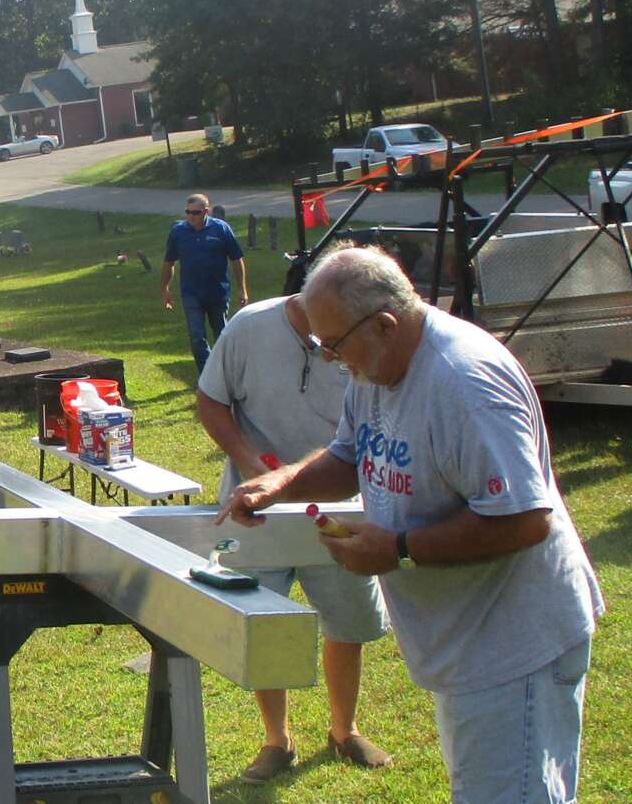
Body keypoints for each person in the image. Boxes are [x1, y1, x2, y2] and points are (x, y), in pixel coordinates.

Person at [216, 245, 605, 804]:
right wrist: (284, 484)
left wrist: (397, 549)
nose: (329, 359)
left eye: (334, 346)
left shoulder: (466, 384)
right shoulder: (373, 367)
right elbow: (350, 456)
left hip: (515, 648)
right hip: (467, 645)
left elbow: (524, 520)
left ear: (384, 324)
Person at [197, 291, 392, 784]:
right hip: (254, 508)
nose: (328, 350)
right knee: (264, 622)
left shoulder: (364, 330)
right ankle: (276, 740)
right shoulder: (248, 326)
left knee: (346, 621)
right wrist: (247, 462)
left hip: (337, 498)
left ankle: (344, 730)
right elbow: (211, 400)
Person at [160, 193, 248, 373]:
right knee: (196, 336)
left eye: (196, 213)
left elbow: (236, 259)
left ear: (206, 211)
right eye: (188, 212)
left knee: (222, 335)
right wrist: (165, 289)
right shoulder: (178, 232)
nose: (191, 217)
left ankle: (225, 372)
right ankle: (207, 375)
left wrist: (242, 289)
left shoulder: (221, 229)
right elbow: (169, 263)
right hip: (191, 293)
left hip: (218, 292)